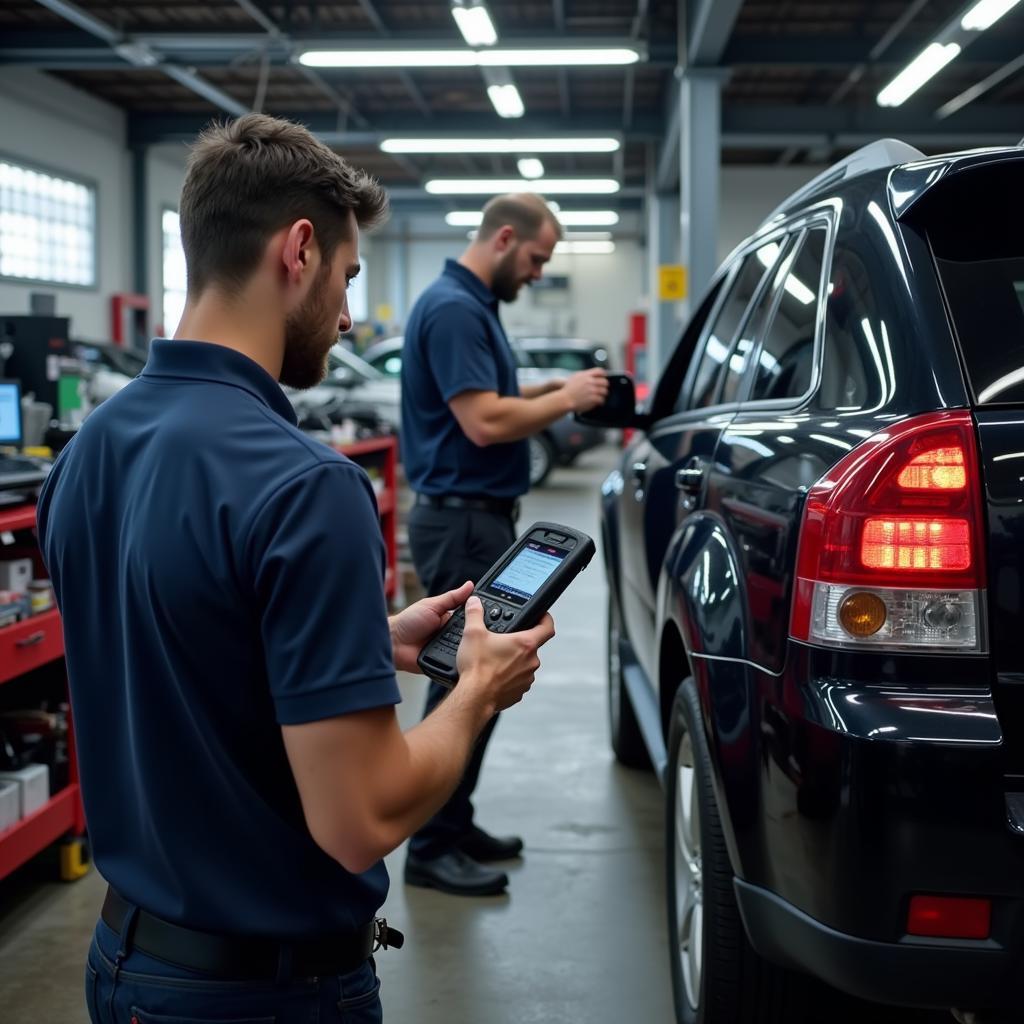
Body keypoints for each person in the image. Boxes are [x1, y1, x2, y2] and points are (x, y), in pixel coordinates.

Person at [37, 114, 555, 1024]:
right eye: (349, 278)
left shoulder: (88, 451)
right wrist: (476, 688)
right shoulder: (309, 486)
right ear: (300, 250)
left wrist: (362, 642)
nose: (350, 314)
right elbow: (363, 815)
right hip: (261, 995)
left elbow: (180, 642)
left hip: (123, 967)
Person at [400, 193, 610, 897]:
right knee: (468, 682)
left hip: (474, 515)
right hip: (462, 518)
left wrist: (548, 387)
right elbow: (485, 421)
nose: (537, 273)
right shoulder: (456, 308)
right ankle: (430, 845)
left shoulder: (470, 305)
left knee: (478, 684)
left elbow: (493, 395)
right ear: (505, 238)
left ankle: (452, 823)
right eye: (536, 259)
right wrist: (569, 396)